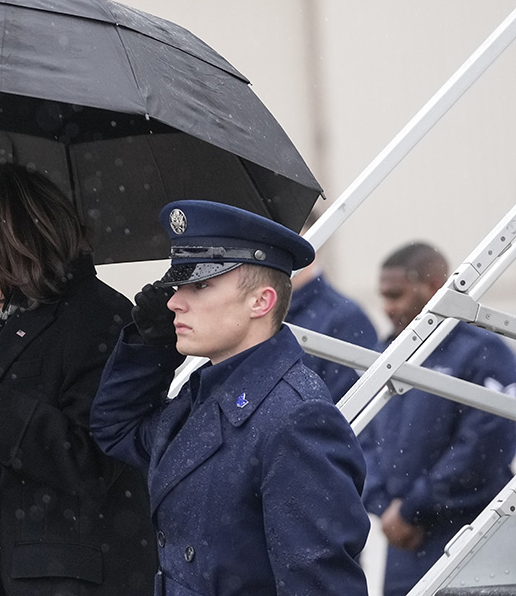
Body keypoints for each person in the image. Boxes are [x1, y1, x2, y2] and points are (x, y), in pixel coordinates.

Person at [91, 199, 371, 596]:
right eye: (178, 285)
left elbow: (319, 586)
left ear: (261, 302)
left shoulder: (297, 417)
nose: (173, 301)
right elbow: (116, 429)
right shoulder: (203, 396)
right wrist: (151, 345)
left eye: (200, 285)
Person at [0, 164, 158, 596]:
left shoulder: (101, 318)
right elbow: (5, 467)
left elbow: (88, 460)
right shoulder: (12, 320)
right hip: (12, 574)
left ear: (17, 244)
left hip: (78, 579)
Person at [361, 241, 516, 596]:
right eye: (383, 295)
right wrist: (386, 508)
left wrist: (413, 507)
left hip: (471, 533)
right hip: (402, 544)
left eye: (396, 295)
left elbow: (486, 442)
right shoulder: (379, 357)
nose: (387, 308)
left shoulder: (482, 352)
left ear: (434, 285)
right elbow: (359, 437)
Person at [287, 211, 378, 401]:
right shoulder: (257, 314)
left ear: (315, 246)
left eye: (290, 245)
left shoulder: (345, 316)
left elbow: (357, 407)